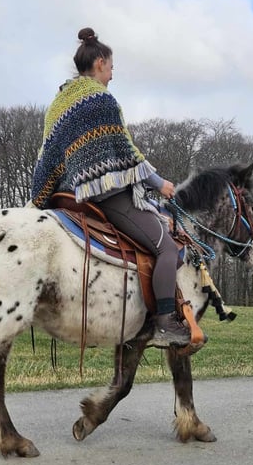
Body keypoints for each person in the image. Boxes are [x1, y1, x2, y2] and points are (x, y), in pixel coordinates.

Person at [31, 27, 190, 347]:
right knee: (167, 248)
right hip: (106, 196)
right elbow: (126, 155)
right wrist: (160, 185)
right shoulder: (102, 101)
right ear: (100, 62)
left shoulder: (58, 104)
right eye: (112, 68)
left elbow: (49, 157)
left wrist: (39, 198)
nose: (112, 75)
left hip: (67, 197)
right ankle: (164, 323)